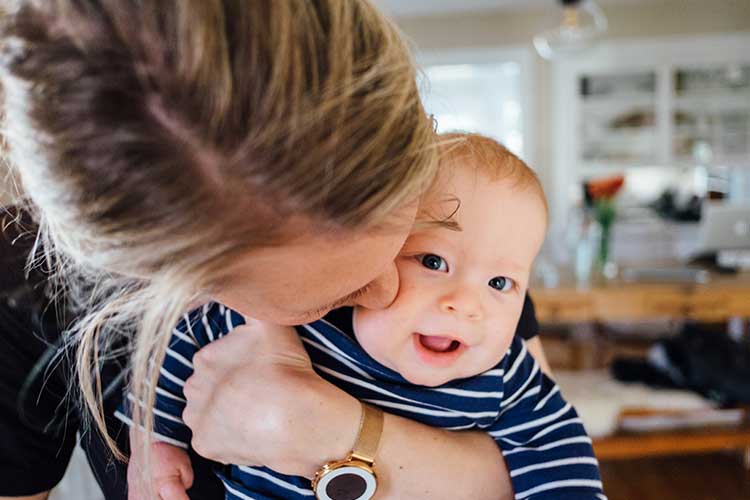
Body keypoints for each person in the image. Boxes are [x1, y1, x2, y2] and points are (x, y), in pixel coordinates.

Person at [0, 2, 549, 499]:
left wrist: (336, 433)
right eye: (332, 295)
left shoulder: (467, 235)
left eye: (411, 243)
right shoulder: (24, 290)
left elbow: (545, 459)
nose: (389, 290)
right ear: (177, 288)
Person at [124, 133, 605, 500]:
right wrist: (154, 440)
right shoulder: (305, 316)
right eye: (434, 262)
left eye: (500, 284)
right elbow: (185, 336)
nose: (465, 302)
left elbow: (559, 453)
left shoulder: (506, 373)